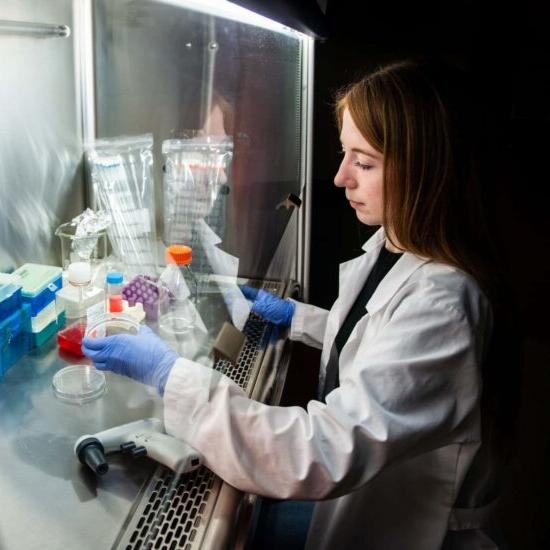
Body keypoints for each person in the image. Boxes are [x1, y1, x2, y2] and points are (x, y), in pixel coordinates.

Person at [82, 59, 507, 549]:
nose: (340, 177)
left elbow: (318, 451)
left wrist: (167, 373)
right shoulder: (395, 247)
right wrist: (299, 321)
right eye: (345, 154)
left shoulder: (445, 305)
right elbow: (385, 348)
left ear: (424, 172)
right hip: (360, 506)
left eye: (364, 162)